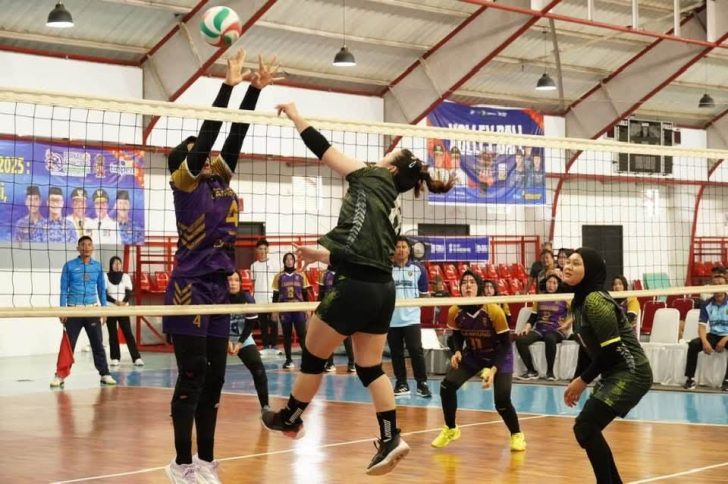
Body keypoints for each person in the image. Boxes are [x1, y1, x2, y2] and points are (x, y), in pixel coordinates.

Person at [262, 101, 454, 475]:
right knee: (369, 367)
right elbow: (364, 252)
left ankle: (291, 418)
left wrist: (297, 116)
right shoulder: (391, 204)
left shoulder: (371, 177)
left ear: (391, 168)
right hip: (382, 291)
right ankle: (390, 437)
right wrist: (320, 254)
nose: (382, 155)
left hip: (356, 288)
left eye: (389, 154)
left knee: (313, 357)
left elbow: (324, 149)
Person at [162, 49, 280, 484]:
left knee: (214, 379)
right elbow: (212, 133)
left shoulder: (219, 180)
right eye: (200, 153)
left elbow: (235, 135)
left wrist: (254, 90)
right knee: (193, 375)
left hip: (217, 288)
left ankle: (206, 462)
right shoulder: (185, 183)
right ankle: (181, 463)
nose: (210, 156)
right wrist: (227, 86)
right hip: (189, 287)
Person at [562, 248, 652, 484]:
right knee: (586, 429)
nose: (568, 266)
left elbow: (610, 350)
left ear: (590, 270)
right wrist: (577, 378)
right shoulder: (578, 302)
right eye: (567, 262)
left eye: (576, 263)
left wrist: (583, 381)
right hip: (613, 370)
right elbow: (587, 346)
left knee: (586, 427)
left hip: (631, 371)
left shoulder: (595, 300)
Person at [431, 270, 526, 451]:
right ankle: (451, 429)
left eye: (472, 282)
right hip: (475, 354)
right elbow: (456, 335)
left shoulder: (493, 310)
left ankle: (517, 434)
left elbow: (506, 343)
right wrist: (457, 351)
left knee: (502, 400)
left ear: (479, 287)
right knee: (447, 386)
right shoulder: (455, 310)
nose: (467, 285)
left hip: (500, 355)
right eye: (464, 282)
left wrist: (493, 369)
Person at [50, 236, 116, 388]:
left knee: (97, 344)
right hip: (74, 310)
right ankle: (60, 375)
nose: (86, 247)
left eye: (89, 245)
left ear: (93, 248)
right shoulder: (69, 266)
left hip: (92, 310)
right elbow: (63, 290)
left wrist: (104, 309)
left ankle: (105, 374)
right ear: (78, 248)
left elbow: (101, 290)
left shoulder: (97, 267)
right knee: (68, 344)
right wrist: (62, 309)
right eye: (83, 245)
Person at [387, 236, 431, 398]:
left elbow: (424, 294)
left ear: (409, 249)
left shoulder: (419, 269)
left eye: (404, 247)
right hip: (392, 319)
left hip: (412, 319)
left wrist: (415, 306)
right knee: (396, 352)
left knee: (416, 350)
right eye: (398, 247)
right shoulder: (387, 269)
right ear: (394, 250)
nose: (401, 250)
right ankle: (401, 383)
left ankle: (422, 384)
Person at [227, 271, 270, 411]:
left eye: (236, 280)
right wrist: (227, 342)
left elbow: (250, 325)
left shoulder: (247, 298)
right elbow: (215, 323)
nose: (232, 283)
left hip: (243, 338)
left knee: (259, 370)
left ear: (240, 283)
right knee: (211, 373)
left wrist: (239, 343)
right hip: (221, 338)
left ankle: (265, 408)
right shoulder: (220, 298)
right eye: (229, 280)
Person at [515, 273, 568, 381]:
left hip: (556, 330)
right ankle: (531, 371)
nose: (551, 285)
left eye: (554, 283)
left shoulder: (565, 298)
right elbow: (533, 317)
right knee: (520, 340)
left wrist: (567, 323)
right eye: (549, 282)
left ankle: (550, 372)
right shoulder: (539, 298)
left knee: (549, 338)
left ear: (558, 285)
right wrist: (526, 328)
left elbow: (575, 313)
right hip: (540, 329)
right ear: (545, 283)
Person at [683, 268, 728, 391]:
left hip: (727, 335)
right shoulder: (707, 304)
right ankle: (690, 379)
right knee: (693, 344)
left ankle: (727, 380)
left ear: (725, 285)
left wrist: (724, 340)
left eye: (720, 284)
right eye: (715, 285)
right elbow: (702, 326)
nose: (717, 287)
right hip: (713, 334)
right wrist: (705, 341)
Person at [272, 252, 311, 370]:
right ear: (284, 261)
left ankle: (307, 360)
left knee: (302, 335)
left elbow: (305, 293)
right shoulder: (278, 276)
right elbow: (275, 295)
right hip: (284, 308)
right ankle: (288, 360)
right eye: (287, 259)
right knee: (286, 335)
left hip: (298, 308)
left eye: (291, 259)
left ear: (294, 261)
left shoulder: (301, 274)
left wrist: (307, 308)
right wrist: (274, 311)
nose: (289, 261)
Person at [104, 256, 143, 367]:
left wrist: (123, 302)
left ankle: (136, 358)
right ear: (111, 265)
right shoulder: (105, 276)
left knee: (128, 333)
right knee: (112, 334)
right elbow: (104, 294)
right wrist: (115, 302)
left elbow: (129, 292)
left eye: (119, 263)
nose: (117, 265)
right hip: (111, 309)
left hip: (123, 309)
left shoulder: (125, 276)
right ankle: (115, 358)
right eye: (115, 263)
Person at [320, 265, 355, 373]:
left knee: (346, 336)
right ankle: (330, 363)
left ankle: (352, 363)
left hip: (343, 308)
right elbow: (321, 295)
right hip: (329, 309)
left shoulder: (346, 273)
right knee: (328, 336)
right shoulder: (324, 275)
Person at [250, 238, 281, 354]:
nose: (262, 251)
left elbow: (278, 282)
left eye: (264, 248)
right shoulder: (253, 266)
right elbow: (253, 283)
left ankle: (274, 345)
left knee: (273, 323)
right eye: (260, 249)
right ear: (257, 250)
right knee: (263, 325)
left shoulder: (275, 263)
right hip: (259, 299)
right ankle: (265, 346)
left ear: (267, 250)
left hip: (272, 298)